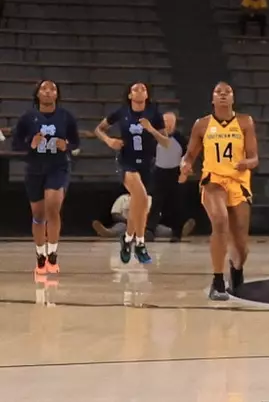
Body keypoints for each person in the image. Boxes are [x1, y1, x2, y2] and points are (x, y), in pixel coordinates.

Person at [181, 81, 259, 300]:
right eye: (219, 92)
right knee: (220, 221)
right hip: (213, 180)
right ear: (213, 99)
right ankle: (217, 281)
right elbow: (189, 156)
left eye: (228, 92)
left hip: (239, 182)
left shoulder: (244, 122)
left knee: (241, 246)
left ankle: (236, 269)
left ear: (233, 98)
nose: (223, 95)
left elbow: (254, 157)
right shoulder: (202, 124)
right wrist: (185, 165)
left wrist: (247, 163)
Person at [10, 80, 79, 279]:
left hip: (58, 167)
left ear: (57, 95)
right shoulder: (27, 117)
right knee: (38, 215)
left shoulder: (66, 117)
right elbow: (16, 144)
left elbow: (75, 142)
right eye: (44, 89)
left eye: (52, 89)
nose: (48, 92)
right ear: (38, 94)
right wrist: (30, 143)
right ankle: (40, 255)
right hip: (34, 169)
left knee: (52, 207)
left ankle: (53, 253)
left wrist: (64, 145)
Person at [95, 81, 168, 265]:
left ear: (147, 95)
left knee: (140, 203)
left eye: (143, 89)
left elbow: (166, 142)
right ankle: (140, 243)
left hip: (147, 163)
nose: (139, 91)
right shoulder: (121, 112)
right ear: (129, 95)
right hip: (126, 161)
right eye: (135, 89)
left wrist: (151, 129)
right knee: (141, 197)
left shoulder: (154, 114)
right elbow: (99, 129)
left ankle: (127, 239)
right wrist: (108, 140)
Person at [150, 111, 195, 241]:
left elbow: (188, 157)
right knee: (156, 203)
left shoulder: (181, 139)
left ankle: (177, 233)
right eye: (166, 122)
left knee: (177, 204)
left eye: (171, 122)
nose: (168, 125)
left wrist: (184, 173)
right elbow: (151, 155)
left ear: (175, 124)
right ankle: (150, 230)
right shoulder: (155, 138)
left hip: (176, 173)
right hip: (159, 173)